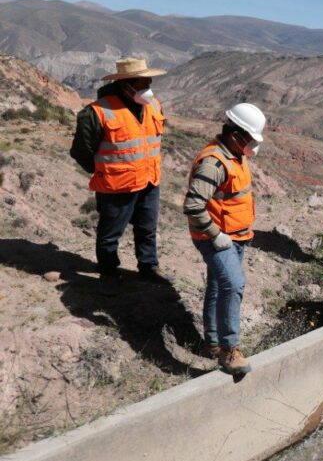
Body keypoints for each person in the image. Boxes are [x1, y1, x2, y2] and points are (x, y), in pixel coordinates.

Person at [69, 57, 173, 284]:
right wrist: (104, 171)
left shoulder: (153, 105)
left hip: (149, 181)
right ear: (125, 85)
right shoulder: (96, 112)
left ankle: (148, 267)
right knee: (110, 234)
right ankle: (108, 273)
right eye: (141, 84)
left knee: (147, 228)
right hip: (116, 186)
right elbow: (81, 151)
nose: (147, 89)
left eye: (148, 83)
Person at [182, 103, 266, 375]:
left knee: (218, 286)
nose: (254, 145)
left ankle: (214, 342)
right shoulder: (213, 163)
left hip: (237, 236)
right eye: (251, 139)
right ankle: (230, 351)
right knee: (233, 285)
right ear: (236, 135)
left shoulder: (235, 155)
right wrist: (215, 235)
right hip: (216, 237)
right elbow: (194, 205)